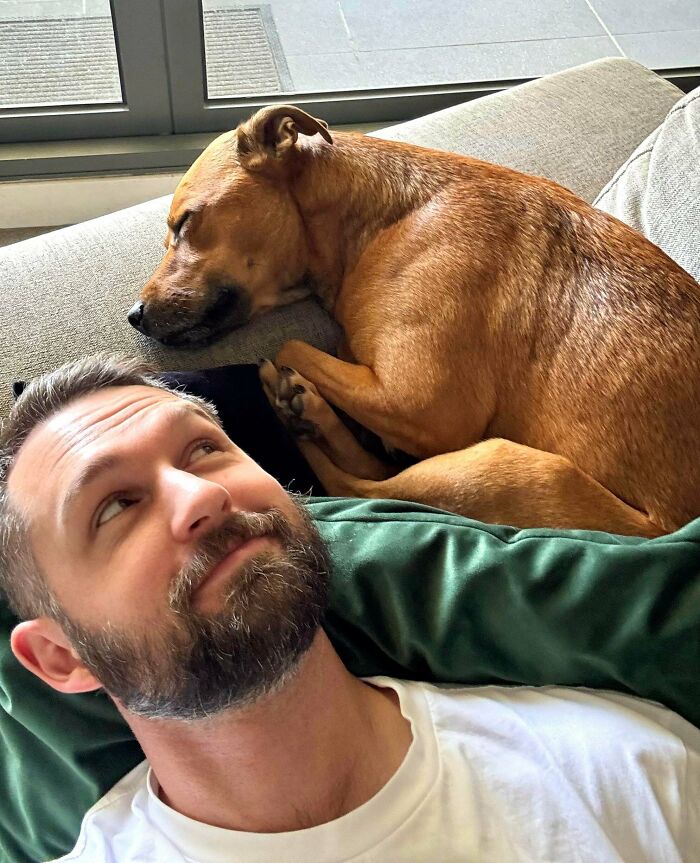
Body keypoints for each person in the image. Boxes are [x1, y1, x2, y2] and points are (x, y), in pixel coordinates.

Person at [1, 355, 698, 863]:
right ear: (62, 656)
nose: (201, 497)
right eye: (117, 505)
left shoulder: (625, 771)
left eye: (205, 449)